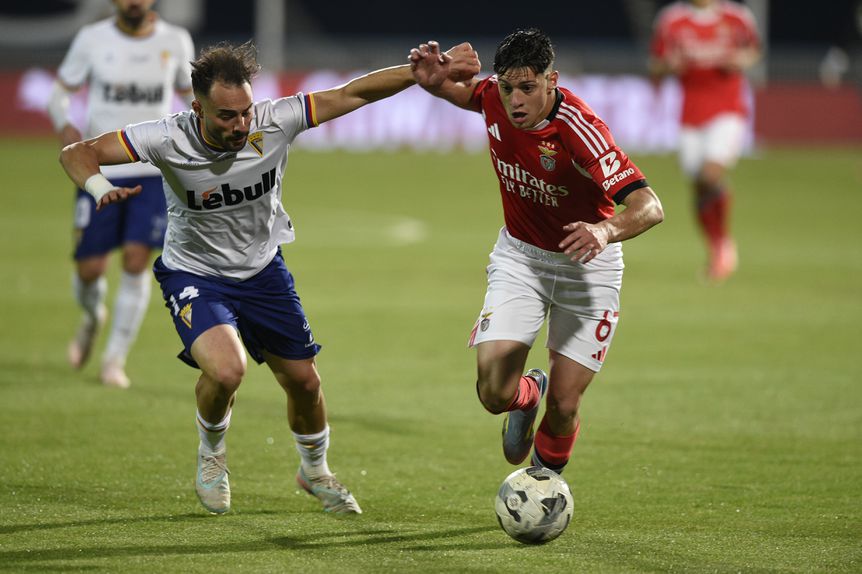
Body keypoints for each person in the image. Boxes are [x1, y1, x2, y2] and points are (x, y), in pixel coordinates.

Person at [58, 40, 480, 515]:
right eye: (226, 116)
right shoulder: (164, 137)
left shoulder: (274, 120)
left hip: (263, 271)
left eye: (245, 112)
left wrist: (414, 73)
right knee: (227, 370)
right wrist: (98, 187)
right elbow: (79, 151)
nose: (241, 126)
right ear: (197, 107)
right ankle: (212, 454)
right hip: (194, 273)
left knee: (305, 383)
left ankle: (315, 470)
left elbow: (352, 94)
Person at [409, 30, 664, 475]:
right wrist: (433, 82)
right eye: (507, 88)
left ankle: (542, 488)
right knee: (492, 393)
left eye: (528, 88)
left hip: (588, 267)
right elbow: (467, 92)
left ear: (552, 81)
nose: (515, 101)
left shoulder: (580, 130)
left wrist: (605, 231)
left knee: (565, 404)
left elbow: (649, 207)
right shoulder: (494, 98)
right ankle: (527, 396)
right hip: (521, 259)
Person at [48, 0, 195, 388]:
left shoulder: (176, 41)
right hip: (99, 169)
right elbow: (58, 94)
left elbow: (191, 99)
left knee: (135, 260)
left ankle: (114, 360)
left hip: (152, 170)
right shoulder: (92, 39)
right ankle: (94, 315)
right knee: (90, 268)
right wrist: (66, 126)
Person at [650, 0, 761, 281]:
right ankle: (716, 246)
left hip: (728, 109)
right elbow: (656, 66)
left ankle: (723, 245)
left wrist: (741, 60)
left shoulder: (736, 17)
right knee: (699, 184)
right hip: (690, 115)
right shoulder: (672, 20)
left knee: (710, 174)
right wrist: (668, 66)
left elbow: (753, 52)